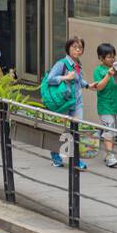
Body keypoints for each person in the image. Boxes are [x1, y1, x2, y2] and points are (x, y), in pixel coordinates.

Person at [45, 36, 91, 168]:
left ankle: (75, 160)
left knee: (76, 131)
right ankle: (55, 154)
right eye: (74, 47)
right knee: (62, 131)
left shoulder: (77, 64)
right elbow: (50, 79)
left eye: (80, 47)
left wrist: (88, 85)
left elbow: (78, 81)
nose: (78, 50)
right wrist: (65, 77)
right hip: (63, 103)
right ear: (68, 48)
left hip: (76, 103)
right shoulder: (62, 63)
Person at [91, 43, 117, 169]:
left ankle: (108, 153)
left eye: (113, 56)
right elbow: (99, 87)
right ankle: (110, 156)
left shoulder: (115, 68)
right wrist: (108, 74)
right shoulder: (99, 71)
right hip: (105, 106)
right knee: (110, 131)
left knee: (113, 131)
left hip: (116, 104)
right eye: (109, 57)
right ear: (101, 58)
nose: (112, 59)